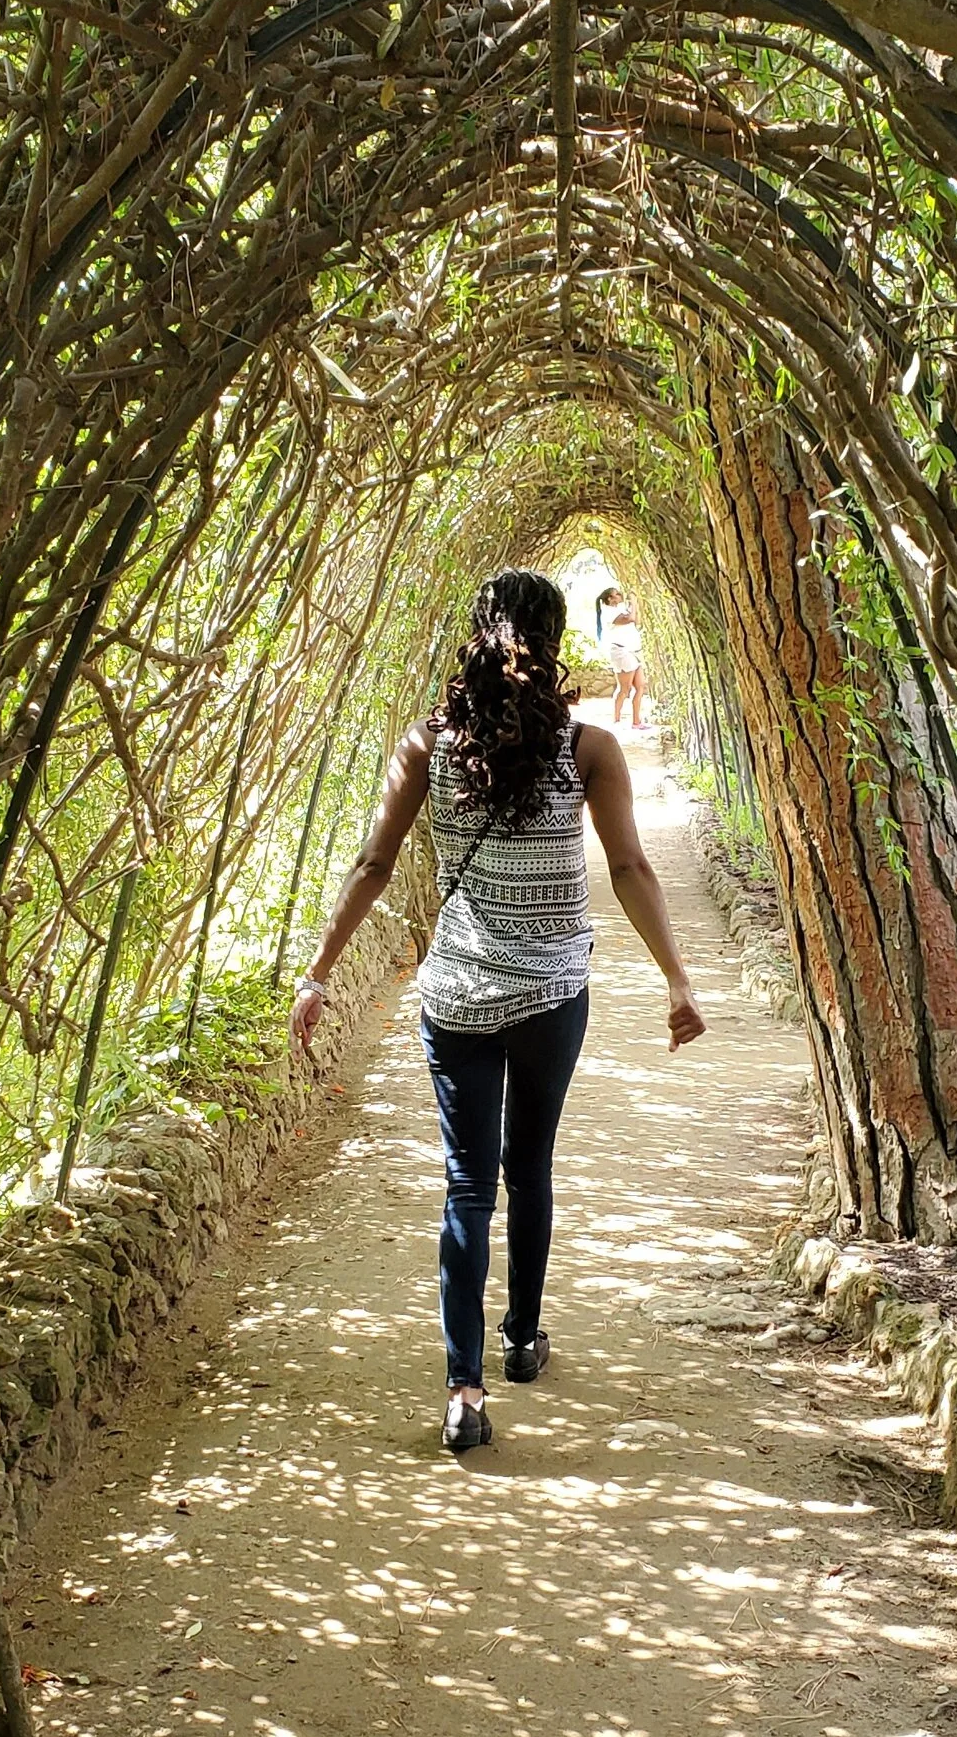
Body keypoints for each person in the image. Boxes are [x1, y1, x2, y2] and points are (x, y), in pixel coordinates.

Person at [290, 569, 706, 1454]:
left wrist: (318, 971)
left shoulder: (428, 745)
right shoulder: (588, 748)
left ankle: (464, 1391)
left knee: (468, 1184)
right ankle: (522, 1338)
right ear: (556, 639)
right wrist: (676, 977)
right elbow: (630, 868)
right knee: (531, 1166)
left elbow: (373, 864)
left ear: (476, 636)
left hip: (457, 994)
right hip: (553, 991)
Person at [605, 597, 645, 731]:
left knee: (640, 686)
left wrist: (634, 605)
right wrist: (633, 602)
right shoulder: (609, 612)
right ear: (609, 598)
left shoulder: (622, 609)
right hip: (622, 651)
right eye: (615, 594)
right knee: (624, 688)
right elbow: (630, 619)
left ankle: (636, 721)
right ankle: (616, 719)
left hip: (634, 650)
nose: (619, 596)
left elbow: (636, 620)